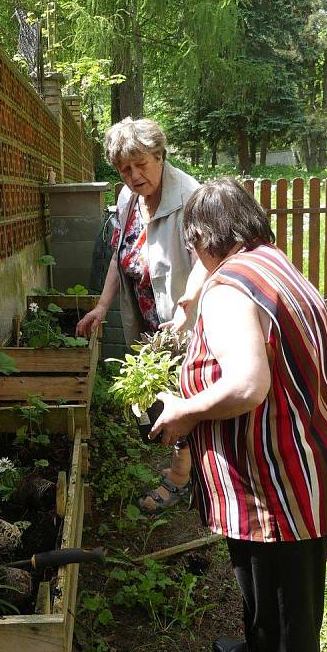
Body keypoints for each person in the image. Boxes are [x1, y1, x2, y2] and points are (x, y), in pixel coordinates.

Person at [150, 179, 327, 652]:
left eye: (191, 247)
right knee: (260, 583)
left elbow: (248, 383)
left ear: (202, 236)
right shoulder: (276, 265)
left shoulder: (230, 286)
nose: (194, 258)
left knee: (289, 610)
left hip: (279, 481)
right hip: (301, 461)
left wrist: (184, 411)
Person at [76, 117, 207, 511]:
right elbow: (120, 256)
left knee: (189, 393)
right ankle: (194, 467)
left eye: (141, 165)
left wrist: (188, 304)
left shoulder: (190, 198)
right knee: (166, 392)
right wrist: (101, 305)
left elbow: (208, 259)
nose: (133, 175)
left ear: (160, 156)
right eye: (124, 168)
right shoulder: (127, 199)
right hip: (151, 321)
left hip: (189, 319)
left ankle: (182, 478)